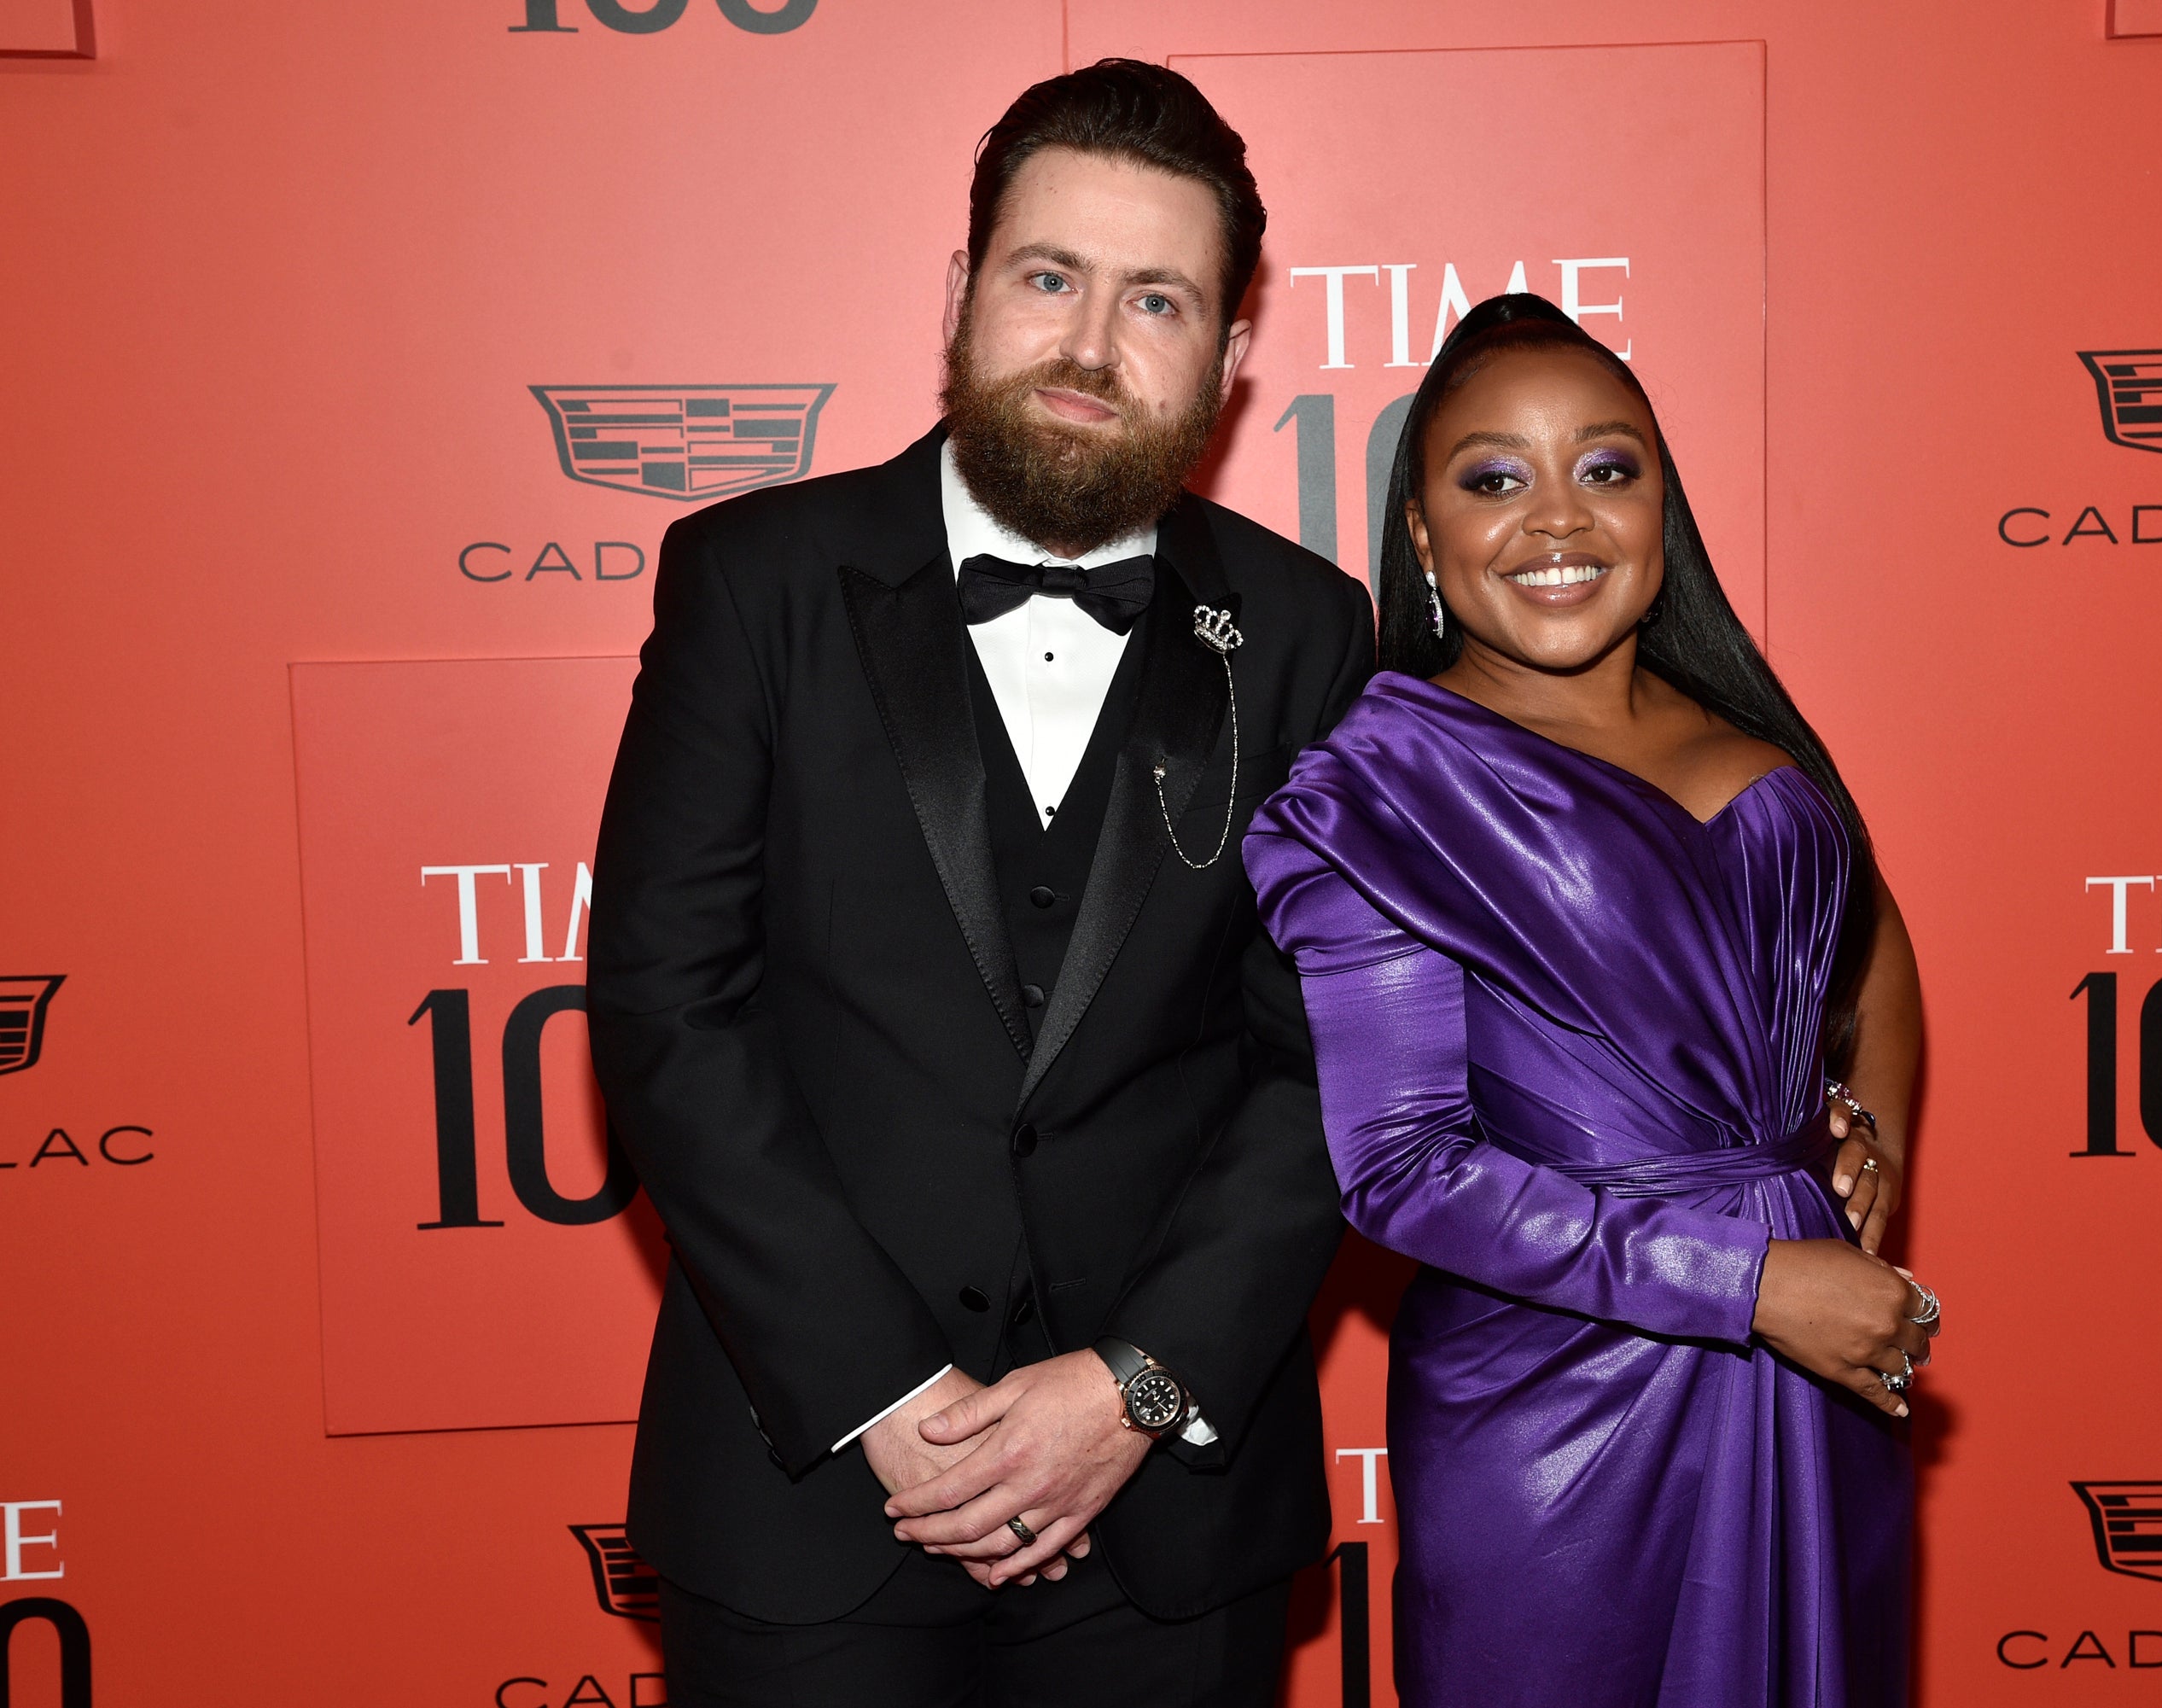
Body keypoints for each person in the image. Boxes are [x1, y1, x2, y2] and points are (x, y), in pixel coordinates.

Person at [586, 60, 1373, 1705]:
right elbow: (671, 1008)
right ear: (962, 291)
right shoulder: (754, 581)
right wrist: (893, 1399)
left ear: (1231, 356)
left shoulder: (1309, 634)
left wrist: (1134, 1385)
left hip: (1165, 1518)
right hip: (811, 1487)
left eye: (1156, 298)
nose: (1092, 345)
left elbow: (1333, 1066)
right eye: (1049, 277)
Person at [1243, 294, 1938, 1708]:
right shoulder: (1379, 786)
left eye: (1607, 469)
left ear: (1663, 506)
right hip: (1558, 1416)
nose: (1558, 520)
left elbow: (1868, 948)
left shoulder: (1754, 742)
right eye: (1493, 480)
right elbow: (1403, 1171)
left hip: (1812, 1377)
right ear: (1425, 540)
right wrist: (1747, 1283)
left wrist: (1875, 1131)